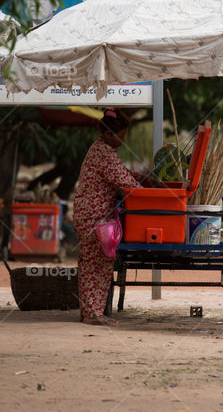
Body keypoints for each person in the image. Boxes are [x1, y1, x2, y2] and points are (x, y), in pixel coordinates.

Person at [72, 109, 149, 325]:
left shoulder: (102, 150)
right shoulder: (103, 153)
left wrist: (141, 178)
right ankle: (92, 315)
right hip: (92, 218)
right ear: (107, 134)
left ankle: (93, 312)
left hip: (95, 217)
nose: (122, 142)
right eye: (120, 137)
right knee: (93, 265)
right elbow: (126, 182)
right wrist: (152, 192)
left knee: (100, 264)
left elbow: (122, 173)